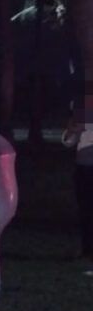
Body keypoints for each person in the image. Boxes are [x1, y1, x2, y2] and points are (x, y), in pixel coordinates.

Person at [63, 114, 93, 275]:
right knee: (85, 209)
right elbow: (69, 141)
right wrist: (72, 131)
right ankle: (87, 248)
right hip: (83, 165)